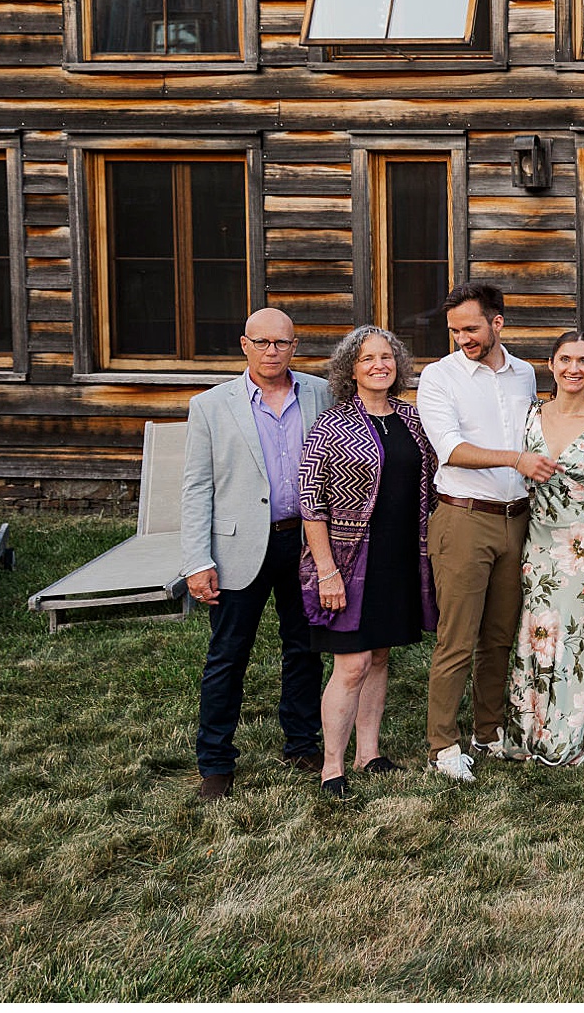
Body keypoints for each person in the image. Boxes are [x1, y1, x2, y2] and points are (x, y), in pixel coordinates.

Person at [182, 307, 332, 801]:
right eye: (262, 342)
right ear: (244, 345)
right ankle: (216, 762)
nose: (273, 352)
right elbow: (196, 488)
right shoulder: (210, 405)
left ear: (295, 346)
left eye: (282, 343)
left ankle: (302, 742)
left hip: (305, 542)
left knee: (305, 648)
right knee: (228, 655)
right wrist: (197, 560)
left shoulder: (320, 394)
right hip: (238, 546)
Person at [414, 281, 552, 782]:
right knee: (457, 636)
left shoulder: (525, 374)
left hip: (517, 519)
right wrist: (516, 459)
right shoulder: (439, 377)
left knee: (499, 636)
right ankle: (442, 744)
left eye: (470, 328)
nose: (461, 338)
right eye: (454, 330)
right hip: (463, 518)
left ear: (497, 322)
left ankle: (488, 732)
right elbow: (449, 448)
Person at [297, 326, 437, 798]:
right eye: (367, 358)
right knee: (351, 663)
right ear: (349, 370)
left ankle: (368, 753)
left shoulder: (412, 421)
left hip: (398, 558)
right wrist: (326, 571)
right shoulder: (332, 426)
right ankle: (332, 767)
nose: (380, 365)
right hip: (348, 560)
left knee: (379, 656)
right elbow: (310, 502)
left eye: (386, 357)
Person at [503, 331, 584, 767]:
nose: (574, 368)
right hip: (535, 543)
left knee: (578, 639)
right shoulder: (529, 417)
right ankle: (529, 728)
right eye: (565, 359)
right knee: (536, 635)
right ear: (551, 366)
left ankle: (576, 734)